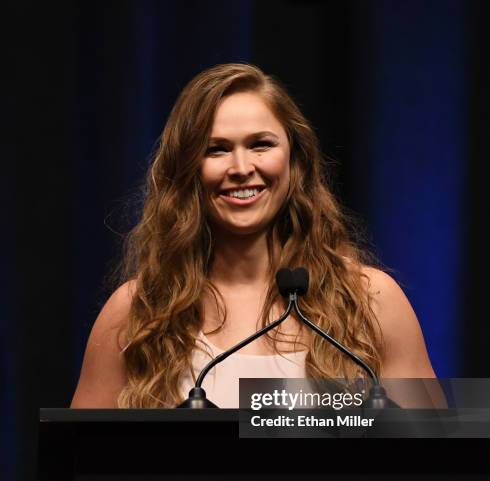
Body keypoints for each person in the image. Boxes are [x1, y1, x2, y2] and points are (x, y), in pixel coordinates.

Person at [70, 62, 437, 409]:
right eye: (217, 150)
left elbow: (437, 458)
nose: (242, 168)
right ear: (187, 170)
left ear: (295, 161)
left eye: (261, 144)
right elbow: (79, 462)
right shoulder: (138, 310)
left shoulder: (370, 300)